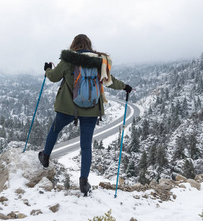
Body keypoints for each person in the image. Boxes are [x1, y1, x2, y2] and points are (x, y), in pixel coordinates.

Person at [38, 34, 132, 196]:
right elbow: (109, 81)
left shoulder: (68, 59)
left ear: (74, 45)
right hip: (92, 109)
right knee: (86, 146)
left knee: (55, 130)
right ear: (89, 45)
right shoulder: (100, 62)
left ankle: (45, 157)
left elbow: (53, 77)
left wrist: (47, 69)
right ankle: (83, 182)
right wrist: (125, 87)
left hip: (68, 108)